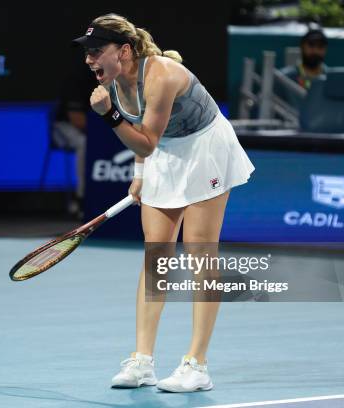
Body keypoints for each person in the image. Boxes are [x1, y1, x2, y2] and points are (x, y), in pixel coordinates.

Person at [72, 14, 255, 393]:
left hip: (205, 148)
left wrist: (109, 115)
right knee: (156, 255)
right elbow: (146, 141)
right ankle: (142, 361)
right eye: (87, 52)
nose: (90, 59)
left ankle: (197, 365)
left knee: (201, 255)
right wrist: (140, 173)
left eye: (97, 50)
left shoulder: (162, 75)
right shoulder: (114, 81)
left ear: (123, 51)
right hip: (166, 153)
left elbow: (146, 140)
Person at [52, 57, 96, 219]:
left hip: (97, 128)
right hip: (65, 127)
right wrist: (103, 135)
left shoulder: (113, 77)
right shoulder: (77, 79)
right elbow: (77, 119)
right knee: (84, 143)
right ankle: (81, 198)